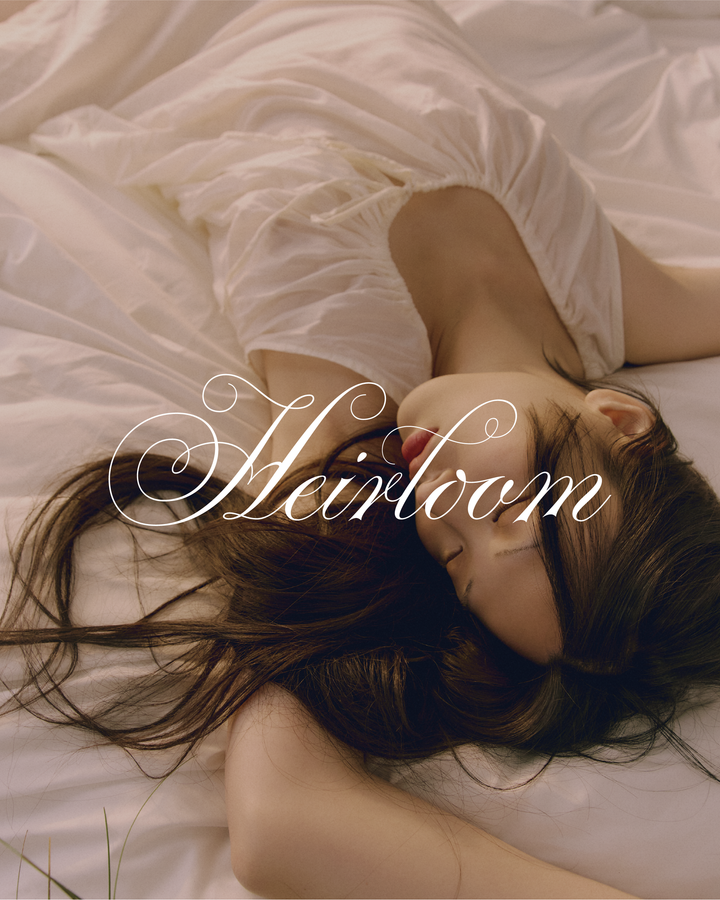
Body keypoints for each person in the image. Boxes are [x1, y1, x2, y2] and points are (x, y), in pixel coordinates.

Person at [4, 0, 720, 896]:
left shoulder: (341, 382)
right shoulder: (616, 302)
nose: (442, 512)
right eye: (513, 509)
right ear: (621, 423)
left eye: (454, 562)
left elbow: (283, 823)